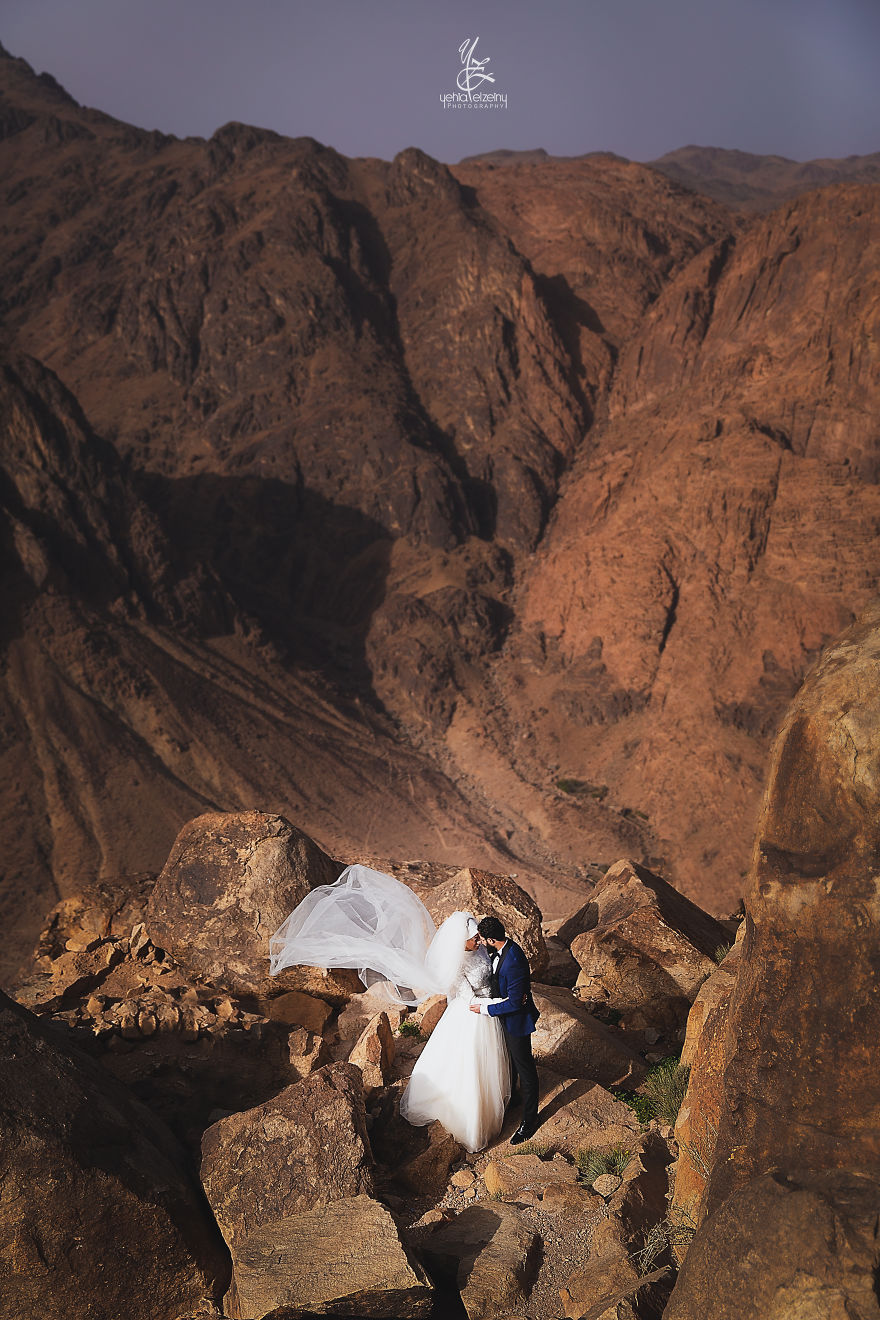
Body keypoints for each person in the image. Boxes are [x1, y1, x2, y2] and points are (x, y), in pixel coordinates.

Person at [268, 865, 511, 1151]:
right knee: (468, 1065)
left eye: (478, 938)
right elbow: (464, 994)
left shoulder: (482, 949)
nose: (478, 941)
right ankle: (469, 1123)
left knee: (486, 1067)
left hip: (484, 1010)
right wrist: (493, 1005)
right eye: (473, 938)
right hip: (472, 1014)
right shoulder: (458, 961)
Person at [470, 914, 540, 1144]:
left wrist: (484, 1009)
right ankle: (514, 1099)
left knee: (525, 1068)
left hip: (516, 1021)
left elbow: (513, 1003)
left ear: (491, 939)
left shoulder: (515, 961)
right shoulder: (498, 949)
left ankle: (529, 1122)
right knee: (508, 1061)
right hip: (503, 1016)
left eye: (483, 938)